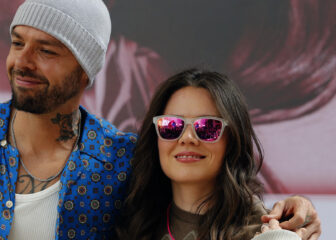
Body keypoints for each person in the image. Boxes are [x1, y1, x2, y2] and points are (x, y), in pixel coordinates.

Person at [0, 1, 321, 240]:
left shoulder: (121, 161)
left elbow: (206, 196)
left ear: (86, 71)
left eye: (47, 50)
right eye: (17, 43)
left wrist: (295, 209)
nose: (22, 61)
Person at [116, 68, 320, 240]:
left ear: (232, 140)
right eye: (171, 125)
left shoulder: (265, 233)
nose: (187, 137)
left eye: (207, 126)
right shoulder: (131, 224)